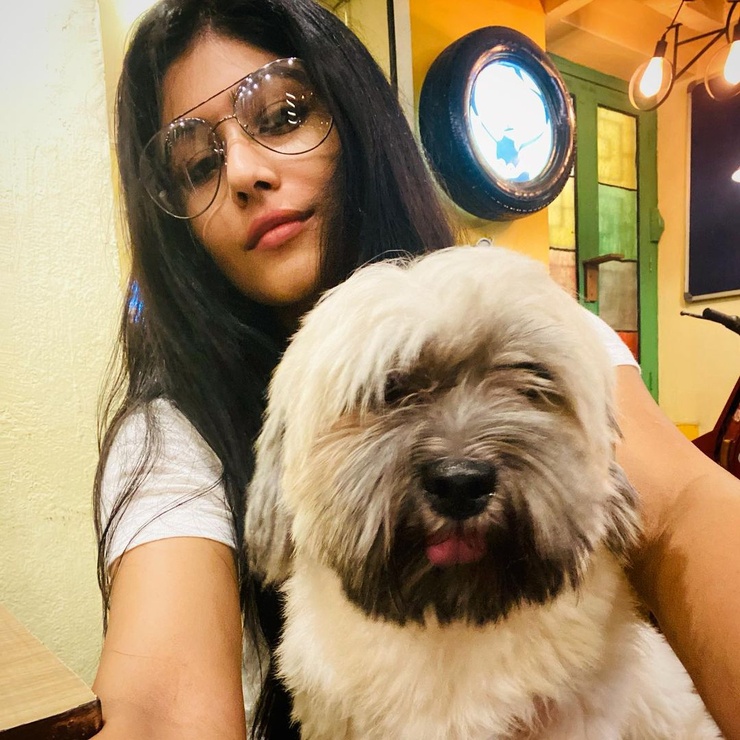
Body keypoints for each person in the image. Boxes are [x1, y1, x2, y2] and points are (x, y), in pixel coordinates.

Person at [90, 1, 740, 738]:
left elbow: (683, 510)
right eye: (198, 164)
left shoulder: (532, 320)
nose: (243, 171)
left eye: (283, 116)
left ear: (356, 118)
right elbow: (162, 704)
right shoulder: (172, 435)